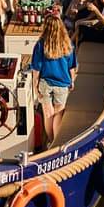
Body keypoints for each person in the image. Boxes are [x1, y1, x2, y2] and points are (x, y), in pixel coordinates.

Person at [29, 13, 77, 151]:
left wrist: (35, 85)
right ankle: (56, 143)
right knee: (58, 113)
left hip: (45, 83)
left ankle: (50, 141)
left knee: (47, 114)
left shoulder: (41, 44)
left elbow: (36, 68)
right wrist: (72, 80)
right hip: (62, 84)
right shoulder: (68, 44)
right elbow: (72, 66)